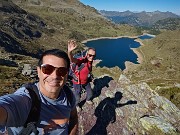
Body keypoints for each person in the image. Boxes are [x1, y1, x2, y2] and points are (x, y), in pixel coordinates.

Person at [0, 49, 78, 135]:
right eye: (47, 69)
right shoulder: (27, 100)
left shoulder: (68, 94)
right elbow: (7, 105)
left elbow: (73, 117)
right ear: (38, 71)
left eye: (61, 71)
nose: (55, 76)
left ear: (67, 74)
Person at [67, 40, 96, 107]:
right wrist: (69, 52)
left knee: (90, 93)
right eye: (90, 55)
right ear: (86, 54)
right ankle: (76, 105)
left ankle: (88, 100)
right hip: (77, 82)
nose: (92, 57)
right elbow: (72, 60)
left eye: (94, 56)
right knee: (77, 95)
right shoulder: (81, 60)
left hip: (86, 81)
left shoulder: (90, 61)